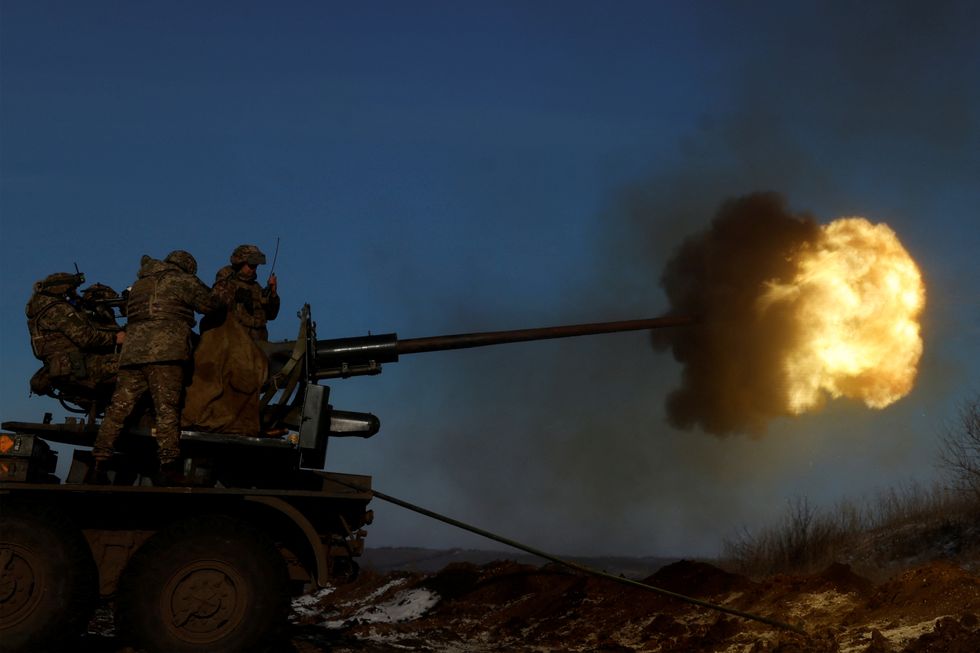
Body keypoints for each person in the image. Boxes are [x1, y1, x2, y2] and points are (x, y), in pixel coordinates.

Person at [92, 251, 216, 482]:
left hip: (132, 354)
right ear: (187, 267)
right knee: (167, 410)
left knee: (118, 409)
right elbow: (211, 304)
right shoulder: (182, 280)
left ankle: (99, 462)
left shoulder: (140, 284)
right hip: (165, 353)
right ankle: (168, 465)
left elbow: (128, 311)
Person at [26, 272, 125, 403]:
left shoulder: (42, 310)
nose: (75, 295)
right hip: (79, 367)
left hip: (64, 367)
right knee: (133, 363)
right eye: (72, 290)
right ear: (62, 290)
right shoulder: (59, 309)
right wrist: (115, 338)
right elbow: (86, 338)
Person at [209, 244, 279, 341]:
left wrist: (273, 293)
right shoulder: (227, 282)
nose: (253, 269)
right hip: (235, 341)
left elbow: (271, 315)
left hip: (259, 343)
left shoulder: (256, 288)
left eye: (255, 266)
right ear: (240, 263)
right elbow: (214, 304)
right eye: (251, 266)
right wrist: (235, 293)